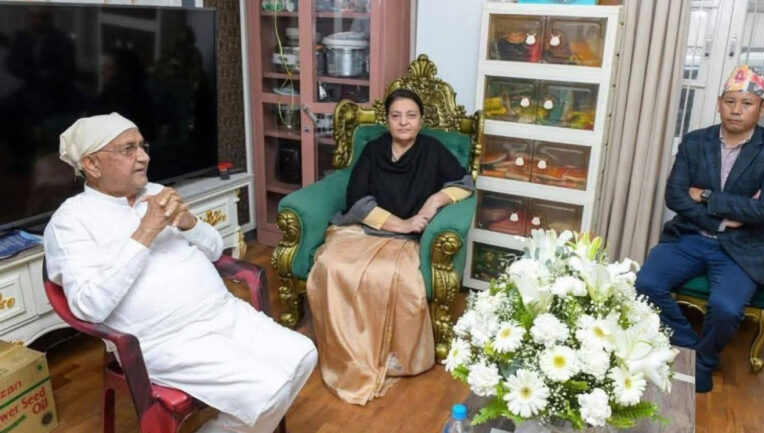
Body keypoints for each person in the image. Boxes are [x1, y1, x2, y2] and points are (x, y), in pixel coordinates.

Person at [43, 113, 317, 432]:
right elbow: (88, 307)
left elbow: (215, 249)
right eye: (128, 149)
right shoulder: (71, 222)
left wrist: (191, 224)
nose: (143, 157)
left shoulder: (156, 192)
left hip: (224, 314)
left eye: (142, 146)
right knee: (268, 390)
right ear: (92, 164)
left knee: (305, 355)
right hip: (166, 341)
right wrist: (146, 231)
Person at [306, 88, 474, 405]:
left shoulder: (433, 150)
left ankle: (392, 355)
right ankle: (346, 350)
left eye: (411, 116)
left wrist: (432, 203)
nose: (403, 122)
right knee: (331, 264)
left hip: (408, 241)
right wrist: (400, 224)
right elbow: (357, 198)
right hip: (369, 230)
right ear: (387, 120)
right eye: (396, 116)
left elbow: (464, 184)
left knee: (393, 276)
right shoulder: (374, 150)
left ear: (421, 120)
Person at [635, 65, 764, 393]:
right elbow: (675, 195)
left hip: (744, 245)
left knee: (726, 308)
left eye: (746, 103)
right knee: (645, 284)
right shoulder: (695, 141)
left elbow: (763, 209)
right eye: (730, 101)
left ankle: (704, 362)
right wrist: (722, 217)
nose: (736, 110)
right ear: (719, 103)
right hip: (690, 236)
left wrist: (706, 195)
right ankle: (689, 346)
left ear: (763, 107)